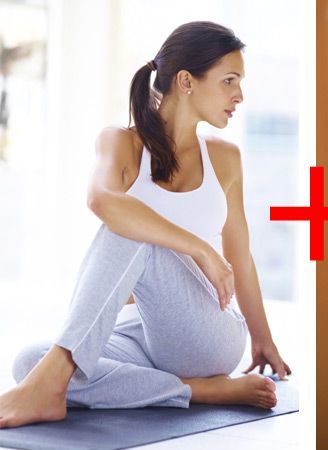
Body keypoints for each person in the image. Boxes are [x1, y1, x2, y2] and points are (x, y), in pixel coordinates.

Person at [0, 21, 291, 429]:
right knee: (29, 362)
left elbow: (240, 257)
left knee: (133, 228)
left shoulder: (226, 159)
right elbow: (100, 200)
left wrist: (263, 341)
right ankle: (196, 390)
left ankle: (55, 385)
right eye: (229, 81)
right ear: (187, 81)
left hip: (209, 334)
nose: (238, 95)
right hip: (142, 333)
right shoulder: (120, 142)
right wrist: (199, 247)